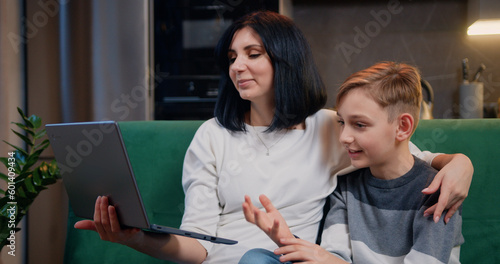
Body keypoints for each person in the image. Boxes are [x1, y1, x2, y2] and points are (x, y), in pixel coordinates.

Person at [74, 11, 473, 263]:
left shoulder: (330, 128)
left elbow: (406, 156)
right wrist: (134, 239)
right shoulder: (211, 137)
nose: (238, 66)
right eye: (232, 57)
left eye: (253, 54)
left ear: (285, 58)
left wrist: (460, 164)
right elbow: (199, 246)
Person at [240, 62, 465, 264]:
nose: (343, 137)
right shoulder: (347, 186)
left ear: (402, 127)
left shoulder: (438, 190)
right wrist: (289, 241)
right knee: (255, 258)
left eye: (359, 124)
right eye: (341, 122)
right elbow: (334, 256)